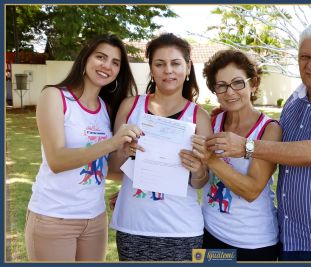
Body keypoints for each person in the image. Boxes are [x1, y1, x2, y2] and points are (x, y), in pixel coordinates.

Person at [206, 22, 311, 261]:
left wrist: (246, 146)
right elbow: (281, 149)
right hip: (291, 238)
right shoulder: (293, 103)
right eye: (305, 57)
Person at [25, 34, 140, 261]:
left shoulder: (107, 109)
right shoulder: (54, 96)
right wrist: (112, 142)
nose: (107, 66)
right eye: (101, 57)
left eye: (115, 63)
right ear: (85, 58)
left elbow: (109, 172)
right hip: (53, 217)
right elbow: (57, 161)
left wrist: (124, 154)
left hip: (95, 220)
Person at [108, 33, 213, 261]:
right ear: (151, 69)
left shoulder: (199, 117)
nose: (168, 70)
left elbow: (201, 181)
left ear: (187, 67)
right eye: (160, 64)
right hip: (132, 226)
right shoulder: (130, 106)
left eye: (175, 63)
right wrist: (123, 152)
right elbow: (114, 170)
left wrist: (197, 169)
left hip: (182, 229)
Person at [190, 49, 282, 261]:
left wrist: (211, 159)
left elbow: (251, 190)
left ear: (254, 83)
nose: (230, 92)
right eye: (221, 86)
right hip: (210, 232)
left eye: (237, 83)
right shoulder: (212, 122)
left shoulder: (269, 129)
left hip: (252, 243)